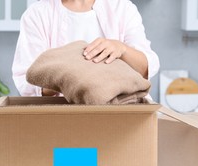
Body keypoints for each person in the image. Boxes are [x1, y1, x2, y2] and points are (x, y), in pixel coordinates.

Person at [12, 0, 160, 96]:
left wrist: (122, 49)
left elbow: (147, 68)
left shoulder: (122, 8)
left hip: (122, 116)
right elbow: (27, 81)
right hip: (62, 119)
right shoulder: (37, 14)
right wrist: (67, 79)